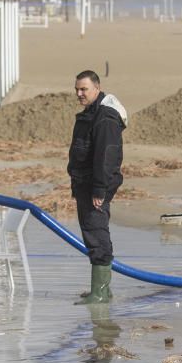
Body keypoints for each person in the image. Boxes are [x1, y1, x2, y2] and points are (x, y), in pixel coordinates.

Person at [67, 70, 127, 304]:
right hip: (86, 185)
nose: (79, 94)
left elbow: (106, 156)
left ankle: (100, 293)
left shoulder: (104, 118)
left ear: (97, 88)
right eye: (77, 90)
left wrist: (99, 190)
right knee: (92, 233)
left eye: (84, 89)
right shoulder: (91, 113)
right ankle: (101, 289)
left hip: (95, 188)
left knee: (96, 233)